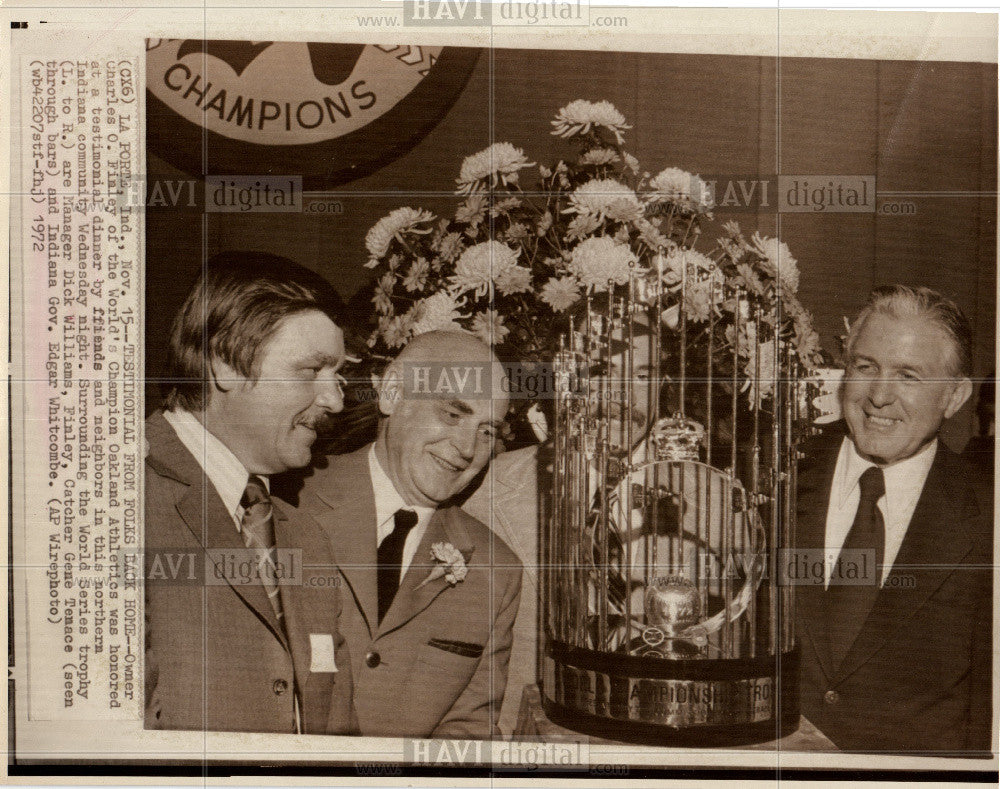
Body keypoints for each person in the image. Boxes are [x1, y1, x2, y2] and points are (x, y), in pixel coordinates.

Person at [144, 252, 357, 735]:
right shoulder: (114, 498)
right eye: (310, 371)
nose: (336, 400)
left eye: (338, 375)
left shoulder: (306, 537)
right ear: (226, 365)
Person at [296, 330, 523, 739]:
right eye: (453, 414)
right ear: (393, 393)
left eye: (487, 431)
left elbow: (468, 730)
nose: (468, 448)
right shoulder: (289, 501)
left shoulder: (497, 570)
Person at [795, 284, 992, 754]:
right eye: (866, 367)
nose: (879, 396)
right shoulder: (775, 474)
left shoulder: (987, 519)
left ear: (955, 395)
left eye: (909, 376)